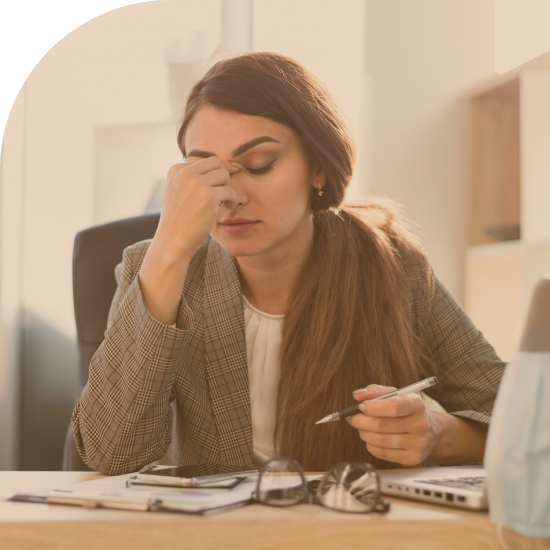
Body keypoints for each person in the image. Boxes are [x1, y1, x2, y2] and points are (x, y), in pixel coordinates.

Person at [72, 52, 505, 476]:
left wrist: (438, 434)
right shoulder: (158, 268)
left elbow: (521, 415)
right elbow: (111, 453)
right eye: (205, 170)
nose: (229, 196)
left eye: (258, 165)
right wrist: (166, 253)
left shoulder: (391, 265)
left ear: (318, 167)